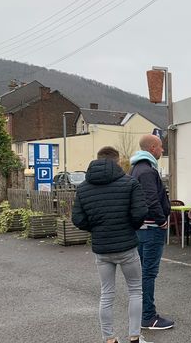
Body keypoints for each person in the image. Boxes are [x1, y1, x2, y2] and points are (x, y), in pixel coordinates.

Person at [72, 146, 151, 343]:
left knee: (106, 293)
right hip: (127, 247)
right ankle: (134, 336)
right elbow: (140, 212)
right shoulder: (130, 183)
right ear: (117, 161)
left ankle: (109, 338)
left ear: (97, 159)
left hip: (102, 249)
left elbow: (78, 219)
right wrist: (129, 227)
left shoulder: (83, 188)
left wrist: (96, 228)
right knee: (135, 291)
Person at [130, 134, 174, 330]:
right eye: (161, 147)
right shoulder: (147, 171)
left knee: (141, 274)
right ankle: (148, 317)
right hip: (151, 229)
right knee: (148, 274)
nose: (162, 151)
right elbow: (151, 199)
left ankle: (140, 314)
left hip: (141, 229)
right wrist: (162, 221)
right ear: (153, 147)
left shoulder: (135, 169)